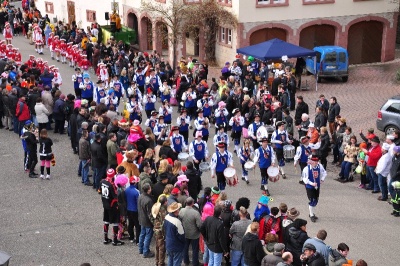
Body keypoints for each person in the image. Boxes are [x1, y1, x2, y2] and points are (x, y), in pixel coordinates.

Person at [100, 169, 124, 246]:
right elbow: (116, 197)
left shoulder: (102, 181)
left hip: (105, 204)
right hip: (112, 205)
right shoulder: (112, 184)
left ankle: (105, 238)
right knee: (115, 222)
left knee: (106, 221)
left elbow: (99, 191)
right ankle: (115, 240)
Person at [302, 155, 327, 222]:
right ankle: (311, 214)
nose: (315, 163)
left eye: (316, 161)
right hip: (310, 187)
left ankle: (312, 213)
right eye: (313, 161)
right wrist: (311, 183)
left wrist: (322, 179)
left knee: (316, 200)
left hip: (317, 186)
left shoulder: (320, 166)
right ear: (310, 161)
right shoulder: (306, 169)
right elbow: (304, 179)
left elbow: (324, 173)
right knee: (312, 201)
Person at [179, 197, 202, 266]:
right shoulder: (195, 213)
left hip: (185, 233)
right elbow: (199, 225)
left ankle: (186, 261)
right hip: (194, 234)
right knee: (195, 250)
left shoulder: (181, 211)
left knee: (185, 248)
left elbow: (179, 221)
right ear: (192, 203)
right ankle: (195, 263)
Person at [138, 183, 155, 258]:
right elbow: (150, 214)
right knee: (148, 236)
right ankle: (146, 252)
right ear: (148, 190)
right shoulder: (149, 200)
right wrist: (153, 223)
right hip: (147, 221)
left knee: (142, 234)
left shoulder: (140, 196)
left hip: (141, 218)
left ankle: (141, 249)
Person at [151, 195, 168, 266]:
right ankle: (161, 263)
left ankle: (157, 261)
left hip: (155, 228)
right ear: (165, 202)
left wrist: (155, 224)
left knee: (157, 246)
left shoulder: (155, 207)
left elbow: (151, 217)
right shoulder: (163, 210)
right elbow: (164, 222)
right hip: (161, 231)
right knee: (162, 248)